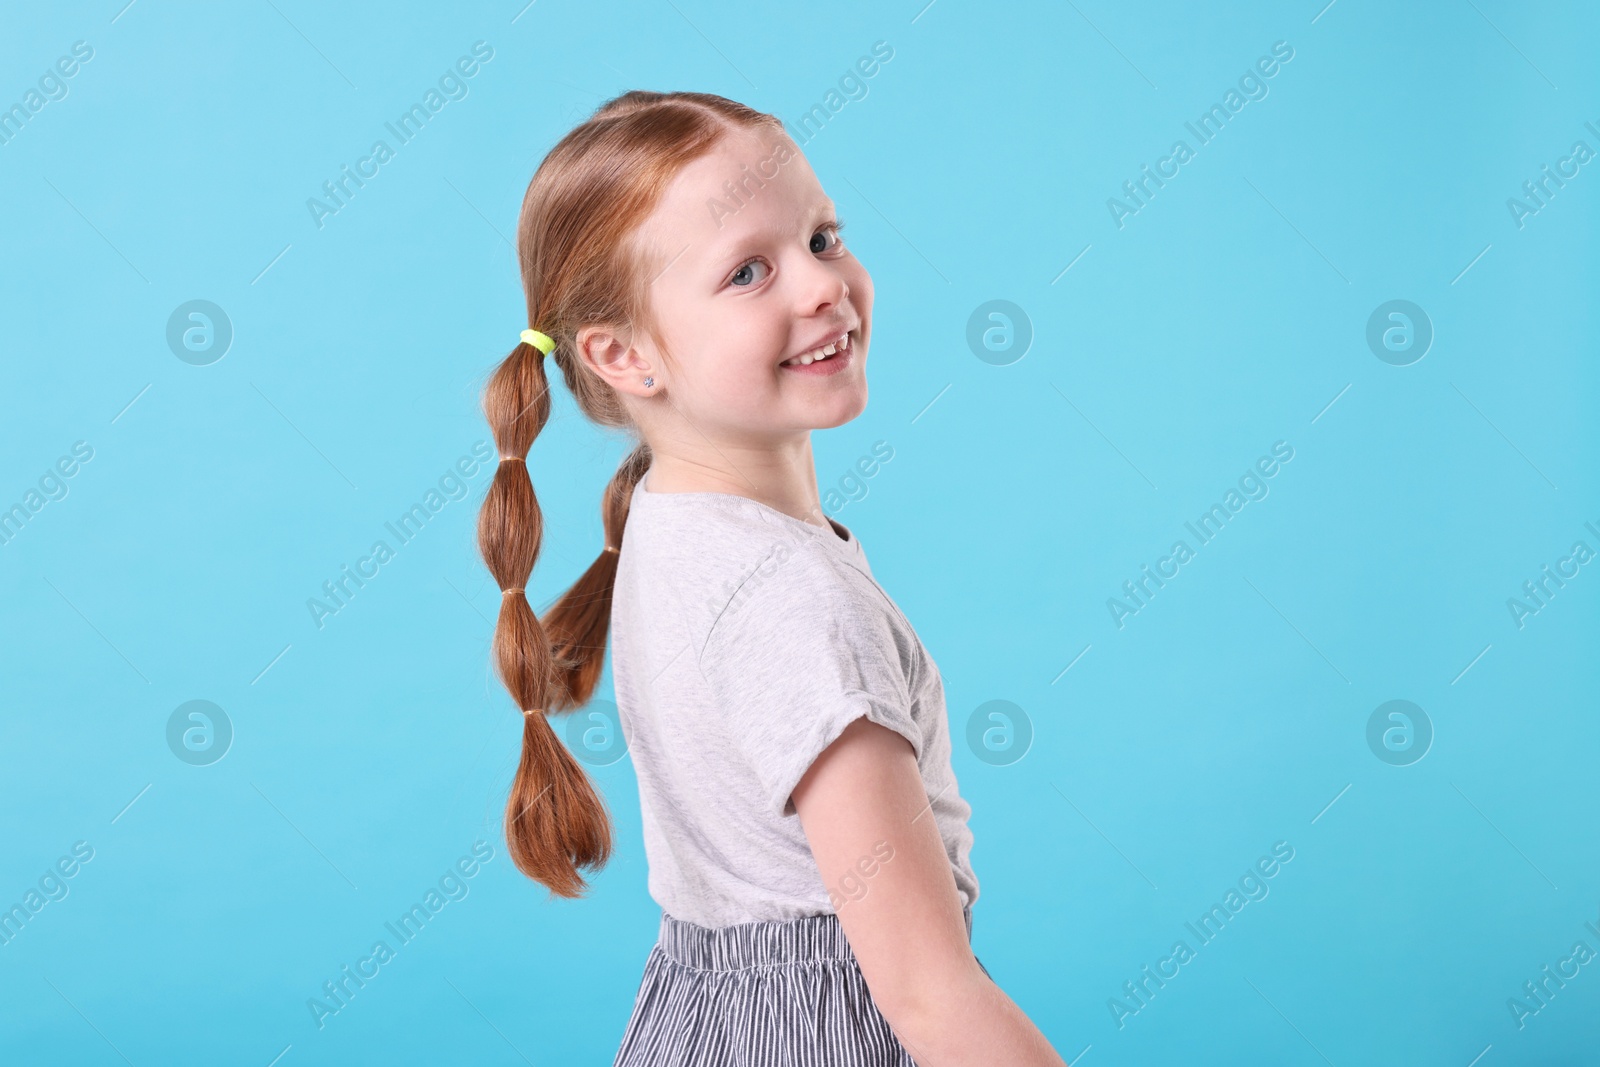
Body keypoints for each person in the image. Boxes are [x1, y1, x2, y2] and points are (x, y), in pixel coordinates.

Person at [475, 89, 1066, 1066]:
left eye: (823, 237)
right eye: (748, 270)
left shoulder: (665, 522)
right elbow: (925, 990)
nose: (821, 285)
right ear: (622, 355)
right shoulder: (794, 603)